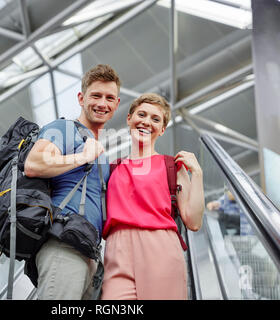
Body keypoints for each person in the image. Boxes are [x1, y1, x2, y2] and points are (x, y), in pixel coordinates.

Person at [24, 64, 121, 300]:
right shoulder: (65, 129)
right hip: (63, 244)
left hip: (88, 251)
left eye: (109, 98)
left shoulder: (102, 155)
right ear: (81, 98)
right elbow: (33, 164)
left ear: (117, 104)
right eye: (96, 96)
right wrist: (83, 157)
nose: (102, 103)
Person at [100, 93, 205, 300]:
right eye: (142, 114)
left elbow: (193, 221)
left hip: (160, 247)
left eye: (155, 119)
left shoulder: (172, 166)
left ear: (163, 129)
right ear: (129, 118)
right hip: (116, 249)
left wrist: (198, 174)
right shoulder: (111, 169)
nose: (147, 122)